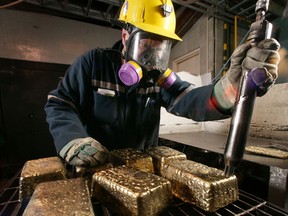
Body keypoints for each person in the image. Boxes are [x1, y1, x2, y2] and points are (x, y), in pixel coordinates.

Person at [44, 0, 280, 167]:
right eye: (146, 43)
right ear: (126, 37)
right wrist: (72, 139)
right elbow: (60, 103)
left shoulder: (157, 77)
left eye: (161, 47)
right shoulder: (93, 64)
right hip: (95, 166)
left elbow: (190, 100)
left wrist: (230, 88)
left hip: (140, 171)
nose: (152, 56)